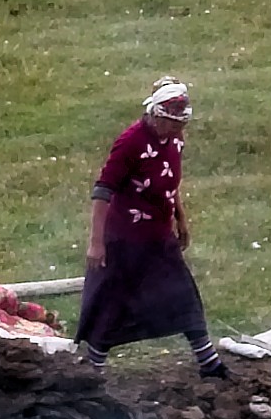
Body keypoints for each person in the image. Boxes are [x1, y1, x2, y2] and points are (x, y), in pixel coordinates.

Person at [76, 76, 227, 376]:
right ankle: (92, 371)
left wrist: (180, 218)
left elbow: (169, 181)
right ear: (157, 116)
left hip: (159, 236)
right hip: (125, 239)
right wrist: (96, 242)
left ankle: (208, 362)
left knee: (182, 294)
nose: (179, 131)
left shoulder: (174, 138)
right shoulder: (130, 143)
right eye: (173, 124)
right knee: (112, 305)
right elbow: (103, 190)